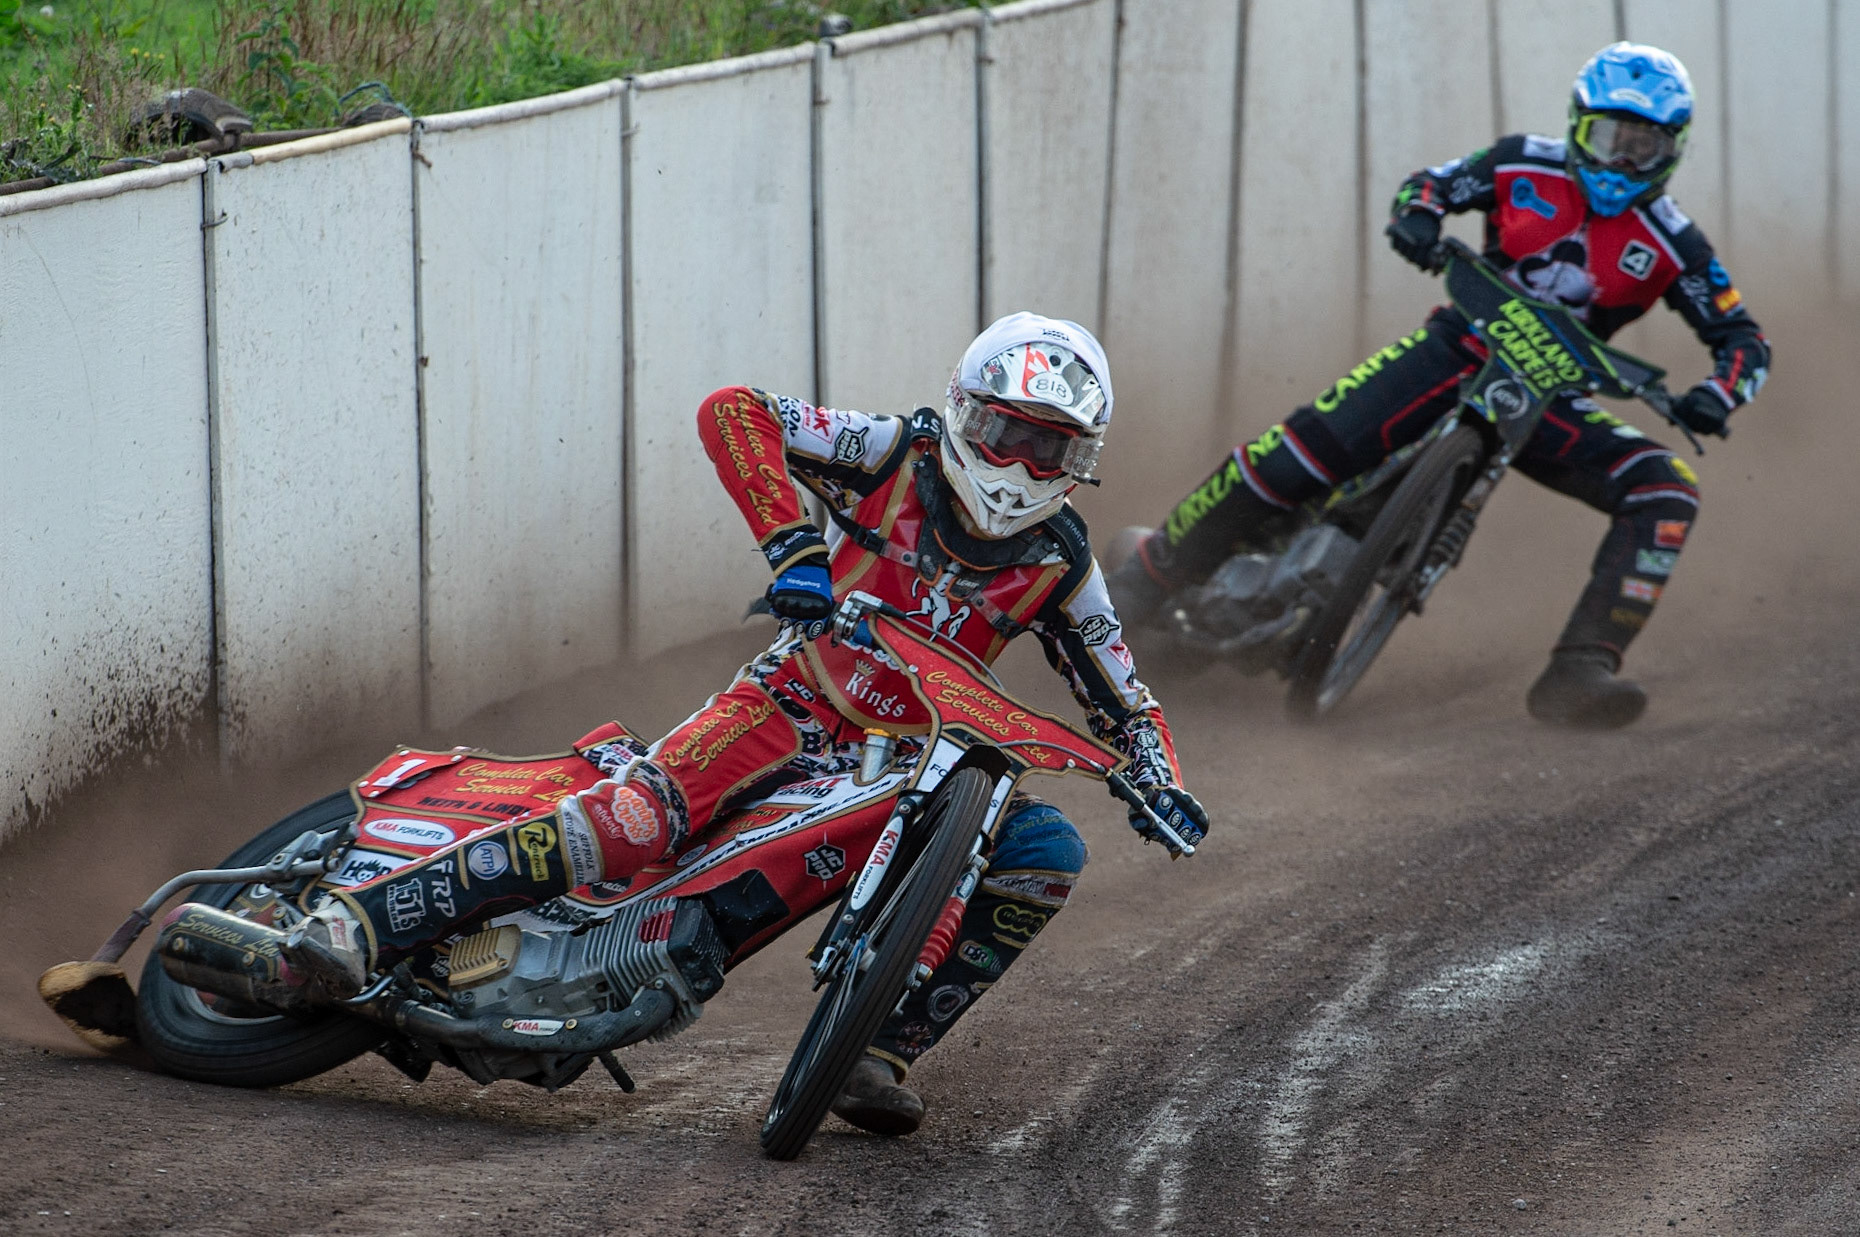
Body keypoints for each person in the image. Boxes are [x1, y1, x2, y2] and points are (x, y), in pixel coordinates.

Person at [162, 312, 1210, 1137]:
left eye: (1050, 447)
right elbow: (735, 409)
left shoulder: (1062, 561)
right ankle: (360, 925)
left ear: (1081, 459)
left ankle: (880, 1050)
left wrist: (1157, 772)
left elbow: (1123, 688)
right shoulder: (893, 450)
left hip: (915, 761)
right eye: (1006, 432)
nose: (1020, 465)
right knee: (631, 824)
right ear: (964, 410)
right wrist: (792, 546)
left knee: (1045, 852)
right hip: (790, 702)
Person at [1107, 42, 1770, 728]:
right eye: (1609, 138)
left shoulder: (1674, 243)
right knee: (1288, 458)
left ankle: (1581, 668)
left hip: (1550, 398)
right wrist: (1416, 219)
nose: (1621, 161)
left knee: (1668, 488)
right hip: (1454, 350)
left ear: (1674, 150)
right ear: (1578, 126)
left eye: (1643, 147)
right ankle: (1142, 579)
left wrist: (1719, 394)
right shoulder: (1520, 161)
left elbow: (1745, 340)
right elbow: (1430, 185)